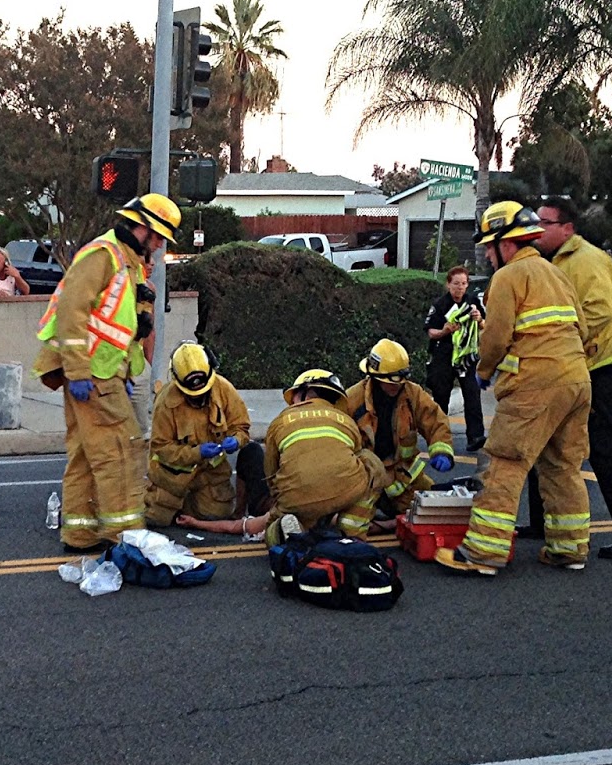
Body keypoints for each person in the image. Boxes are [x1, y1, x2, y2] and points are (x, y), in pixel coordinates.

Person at [436, 201, 592, 576]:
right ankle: (569, 549)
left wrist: (484, 371)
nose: (488, 256)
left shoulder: (507, 278)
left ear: (506, 243)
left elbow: (495, 337)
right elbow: (584, 331)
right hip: (577, 381)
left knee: (505, 463)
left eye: (490, 247)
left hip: (534, 385)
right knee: (562, 467)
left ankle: (483, 554)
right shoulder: (557, 275)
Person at [34, 193, 181, 553]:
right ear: (141, 228)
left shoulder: (129, 264)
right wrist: (79, 370)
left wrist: (129, 369)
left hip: (103, 373)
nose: (160, 244)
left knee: (86, 454)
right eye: (158, 235)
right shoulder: (104, 255)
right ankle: (126, 537)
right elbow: (72, 313)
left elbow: (119, 325)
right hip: (93, 374)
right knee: (122, 451)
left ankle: (81, 533)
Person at [521, 199, 612, 559]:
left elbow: (595, 313)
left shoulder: (588, 260)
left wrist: (563, 344)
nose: (536, 229)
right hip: (572, 365)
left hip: (602, 367)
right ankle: (542, 522)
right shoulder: (549, 261)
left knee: (600, 446)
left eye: (544, 223)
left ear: (567, 228)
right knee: (545, 437)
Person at [182, 369, 387, 545]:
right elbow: (357, 461)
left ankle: (284, 533)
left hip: (292, 500)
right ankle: (352, 533)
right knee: (370, 462)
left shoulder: (281, 422)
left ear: (304, 394)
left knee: (271, 527)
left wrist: (196, 523)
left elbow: (271, 475)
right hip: (344, 496)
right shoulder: (346, 421)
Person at [144, 342, 268, 528]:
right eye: (192, 394)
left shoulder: (224, 390)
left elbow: (241, 427)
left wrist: (236, 439)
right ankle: (174, 505)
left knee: (216, 516)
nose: (198, 397)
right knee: (157, 521)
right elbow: (161, 448)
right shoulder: (165, 402)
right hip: (172, 479)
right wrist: (197, 452)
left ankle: (192, 509)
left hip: (210, 476)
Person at [343, 339, 456, 534]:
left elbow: (436, 421)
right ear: (376, 377)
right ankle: (386, 521)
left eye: (402, 379)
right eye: (392, 381)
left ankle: (389, 518)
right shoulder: (352, 400)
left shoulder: (413, 394)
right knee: (350, 524)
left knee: (435, 511)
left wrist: (441, 450)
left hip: (403, 477)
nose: (398, 386)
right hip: (367, 478)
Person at [424, 265, 487, 451]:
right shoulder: (440, 305)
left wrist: (479, 319)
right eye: (456, 283)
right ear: (448, 284)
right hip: (443, 357)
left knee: (472, 394)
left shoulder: (473, 302)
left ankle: (475, 436)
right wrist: (444, 330)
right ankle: (439, 437)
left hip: (466, 358)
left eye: (464, 283)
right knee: (441, 397)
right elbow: (430, 332)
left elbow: (485, 325)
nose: (460, 287)